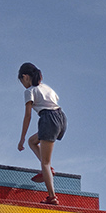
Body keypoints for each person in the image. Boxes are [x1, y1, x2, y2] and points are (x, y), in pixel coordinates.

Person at [16, 62, 67, 204]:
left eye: (21, 81)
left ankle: (52, 197)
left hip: (48, 119)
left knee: (45, 162)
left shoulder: (29, 91)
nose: (22, 84)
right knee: (32, 142)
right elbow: (55, 99)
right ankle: (49, 169)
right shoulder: (46, 87)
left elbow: (28, 116)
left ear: (25, 77)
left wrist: (21, 138)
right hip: (61, 118)